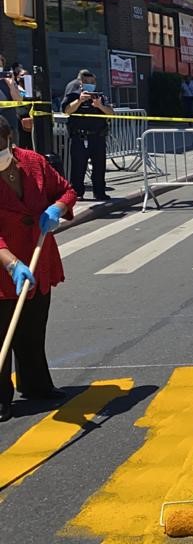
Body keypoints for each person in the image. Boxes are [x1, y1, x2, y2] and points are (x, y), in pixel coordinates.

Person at [0, 116, 77, 421]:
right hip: (5, 262)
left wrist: (57, 207)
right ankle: (1, 395)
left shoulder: (32, 163)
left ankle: (35, 383)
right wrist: (12, 264)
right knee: (2, 330)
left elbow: (66, 190)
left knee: (33, 327)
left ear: (9, 141)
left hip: (37, 254)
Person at [61, 70, 113, 200]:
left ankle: (100, 192)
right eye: (86, 82)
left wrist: (100, 106)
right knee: (78, 166)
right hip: (80, 136)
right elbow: (67, 110)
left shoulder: (100, 97)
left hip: (97, 136)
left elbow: (111, 113)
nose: (90, 84)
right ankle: (77, 193)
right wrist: (79, 101)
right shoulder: (74, 95)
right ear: (81, 83)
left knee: (99, 166)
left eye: (92, 82)